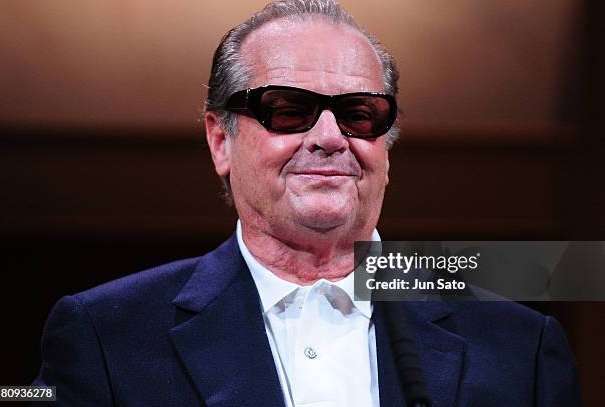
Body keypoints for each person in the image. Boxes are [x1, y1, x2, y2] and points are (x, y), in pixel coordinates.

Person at [33, 1, 581, 406]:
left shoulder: (520, 347)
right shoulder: (106, 335)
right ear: (220, 141)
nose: (329, 137)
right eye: (288, 109)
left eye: (358, 113)